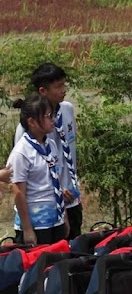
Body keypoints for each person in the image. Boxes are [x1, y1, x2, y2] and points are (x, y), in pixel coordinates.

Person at [15, 64, 82, 239]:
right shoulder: (27, 128)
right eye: (58, 86)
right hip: (44, 208)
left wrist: (71, 185)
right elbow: (21, 177)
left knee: (74, 248)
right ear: (43, 91)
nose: (64, 90)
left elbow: (68, 152)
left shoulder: (67, 109)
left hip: (71, 197)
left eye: (64, 84)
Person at [7, 94, 67, 245]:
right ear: (32, 122)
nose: (52, 119)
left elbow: (57, 182)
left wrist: (63, 217)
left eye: (52, 115)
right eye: (47, 116)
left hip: (56, 218)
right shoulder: (21, 152)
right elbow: (19, 193)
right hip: (36, 223)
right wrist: (27, 229)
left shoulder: (51, 145)